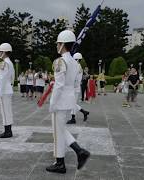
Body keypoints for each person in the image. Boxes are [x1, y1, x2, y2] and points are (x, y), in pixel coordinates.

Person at [46, 30, 90, 174]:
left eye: (58, 43)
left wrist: (52, 103)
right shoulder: (74, 62)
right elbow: (74, 82)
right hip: (69, 99)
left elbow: (59, 85)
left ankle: (62, 161)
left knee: (57, 132)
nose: (57, 46)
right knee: (60, 129)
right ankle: (76, 153)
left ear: (62, 44)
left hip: (60, 101)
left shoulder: (60, 61)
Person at [0, 43, 15, 138]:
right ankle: (8, 130)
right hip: (8, 88)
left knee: (4, 111)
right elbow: (12, 77)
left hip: (4, 90)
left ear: (3, 52)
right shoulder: (10, 63)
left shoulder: (3, 63)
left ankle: (7, 131)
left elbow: (1, 79)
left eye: (0, 51)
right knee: (7, 110)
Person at [67, 52, 89, 124]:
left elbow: (73, 77)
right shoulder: (79, 66)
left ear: (76, 59)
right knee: (72, 103)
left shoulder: (76, 66)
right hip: (76, 87)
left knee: (72, 103)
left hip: (74, 87)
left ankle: (79, 115)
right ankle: (81, 114)